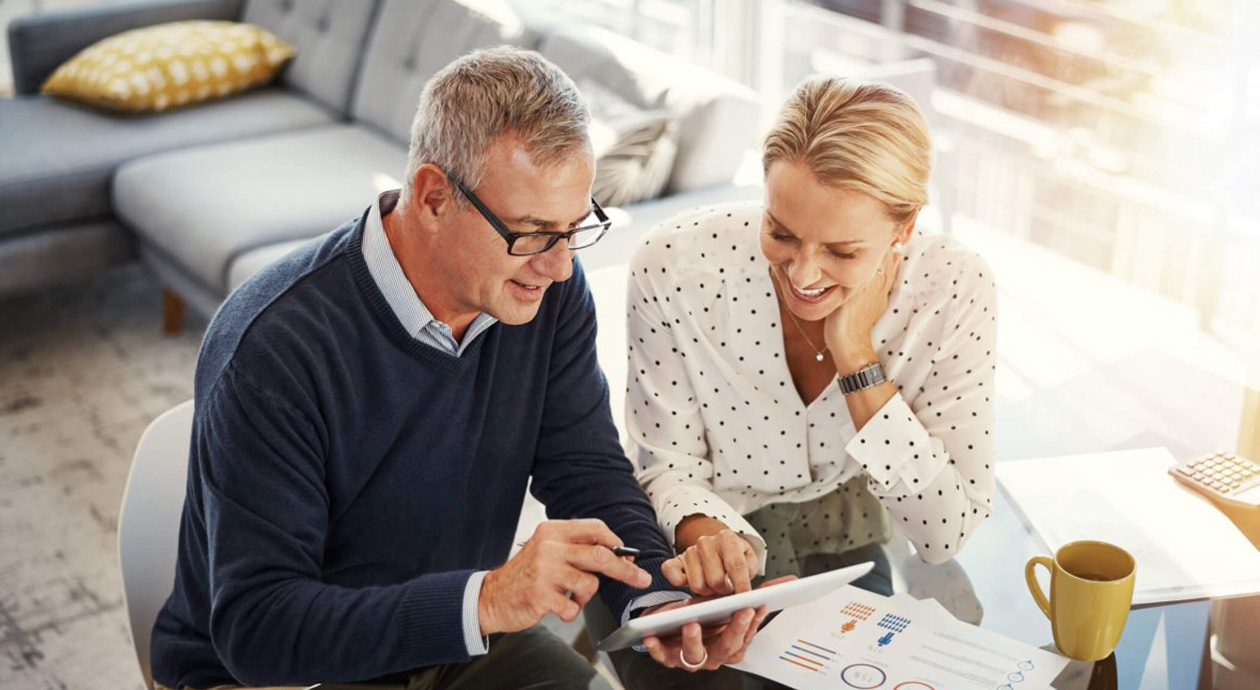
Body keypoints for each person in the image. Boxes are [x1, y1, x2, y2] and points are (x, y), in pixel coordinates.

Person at [149, 47, 768, 690]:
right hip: (282, 672)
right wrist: (488, 600)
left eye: (574, 229)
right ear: (434, 197)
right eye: (531, 233)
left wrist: (655, 605)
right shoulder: (275, 346)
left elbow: (584, 468)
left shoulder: (545, 290)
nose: (558, 266)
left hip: (449, 641)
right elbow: (260, 631)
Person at [626, 76, 998, 609]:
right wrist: (714, 545)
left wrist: (856, 357)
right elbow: (666, 464)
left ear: (905, 227)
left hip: (846, 528)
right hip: (701, 529)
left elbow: (942, 537)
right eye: (781, 233)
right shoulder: (673, 266)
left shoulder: (953, 289)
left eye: (842, 252)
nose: (802, 274)